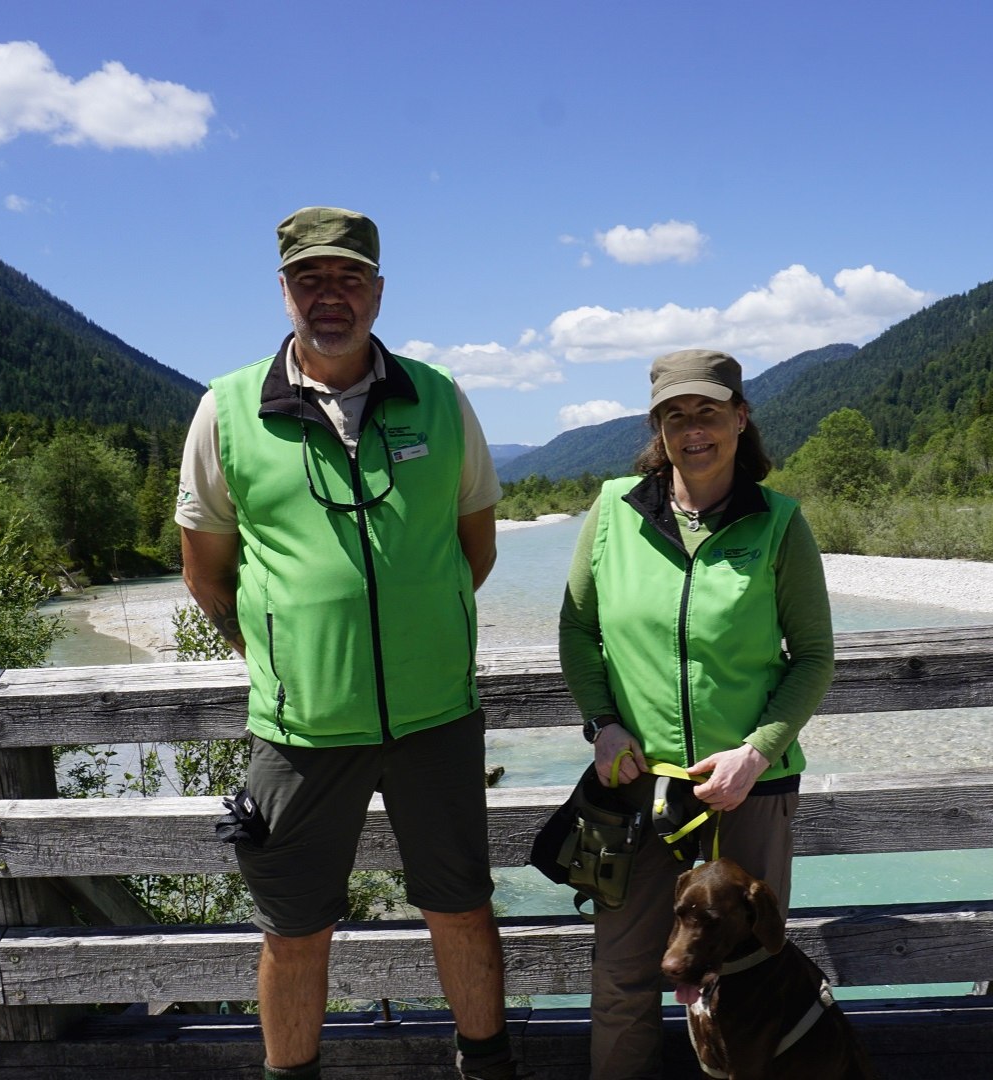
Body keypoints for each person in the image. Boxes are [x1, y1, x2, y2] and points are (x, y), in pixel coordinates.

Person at [175, 207, 513, 1080]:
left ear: (379, 290)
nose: (332, 296)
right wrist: (288, 655)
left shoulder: (440, 399)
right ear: (284, 291)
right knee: (294, 932)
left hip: (436, 716)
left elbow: (474, 547)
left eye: (349, 277)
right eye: (311, 279)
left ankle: (488, 1069)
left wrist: (416, 629)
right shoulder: (229, 409)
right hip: (300, 731)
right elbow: (208, 573)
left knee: (464, 910)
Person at [558, 348, 836, 1078]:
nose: (693, 430)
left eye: (709, 412)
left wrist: (758, 751)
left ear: (740, 418)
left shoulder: (778, 523)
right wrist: (602, 723)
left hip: (749, 789)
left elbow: (813, 656)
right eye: (675, 415)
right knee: (623, 974)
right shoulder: (614, 511)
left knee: (749, 979)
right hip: (637, 791)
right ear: (657, 427)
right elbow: (577, 632)